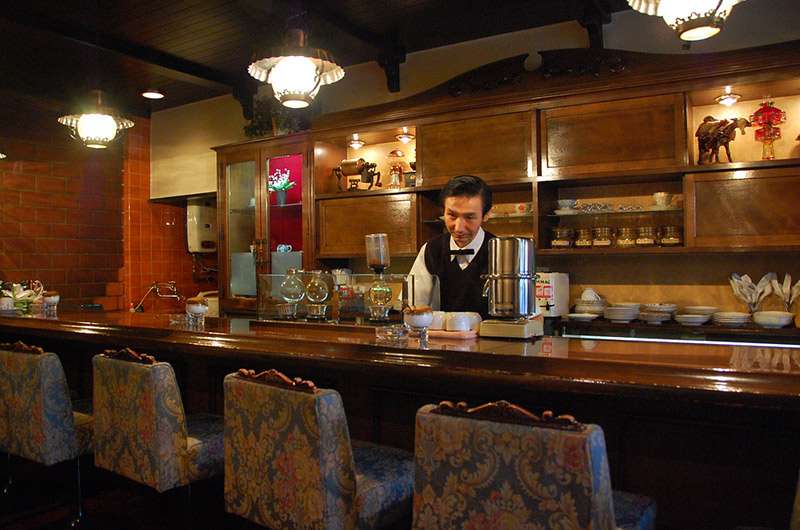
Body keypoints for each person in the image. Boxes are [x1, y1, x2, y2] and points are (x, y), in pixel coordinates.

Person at [408, 175, 495, 319]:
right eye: (452, 215)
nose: (459, 227)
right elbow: (414, 307)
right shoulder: (432, 250)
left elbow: (533, 318)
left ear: (486, 214)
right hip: (440, 339)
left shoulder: (501, 253)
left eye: (469, 217)